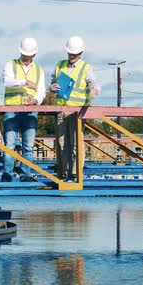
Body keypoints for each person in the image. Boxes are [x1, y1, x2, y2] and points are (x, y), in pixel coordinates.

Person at [50, 35, 101, 181]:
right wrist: (52, 87)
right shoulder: (60, 65)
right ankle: (65, 174)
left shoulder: (86, 68)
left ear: (81, 53)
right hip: (61, 110)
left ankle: (75, 174)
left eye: (75, 53)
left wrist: (93, 91)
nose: (72, 55)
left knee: (75, 144)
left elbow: (95, 85)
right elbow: (52, 84)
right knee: (61, 144)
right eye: (70, 52)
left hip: (77, 113)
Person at [1, 37, 46, 182]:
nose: (27, 58)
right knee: (9, 144)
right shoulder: (10, 64)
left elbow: (42, 91)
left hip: (31, 111)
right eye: (25, 55)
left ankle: (25, 174)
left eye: (29, 56)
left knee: (28, 146)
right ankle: (7, 173)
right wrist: (24, 82)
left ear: (34, 55)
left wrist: (36, 100)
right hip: (12, 109)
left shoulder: (39, 70)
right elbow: (7, 82)